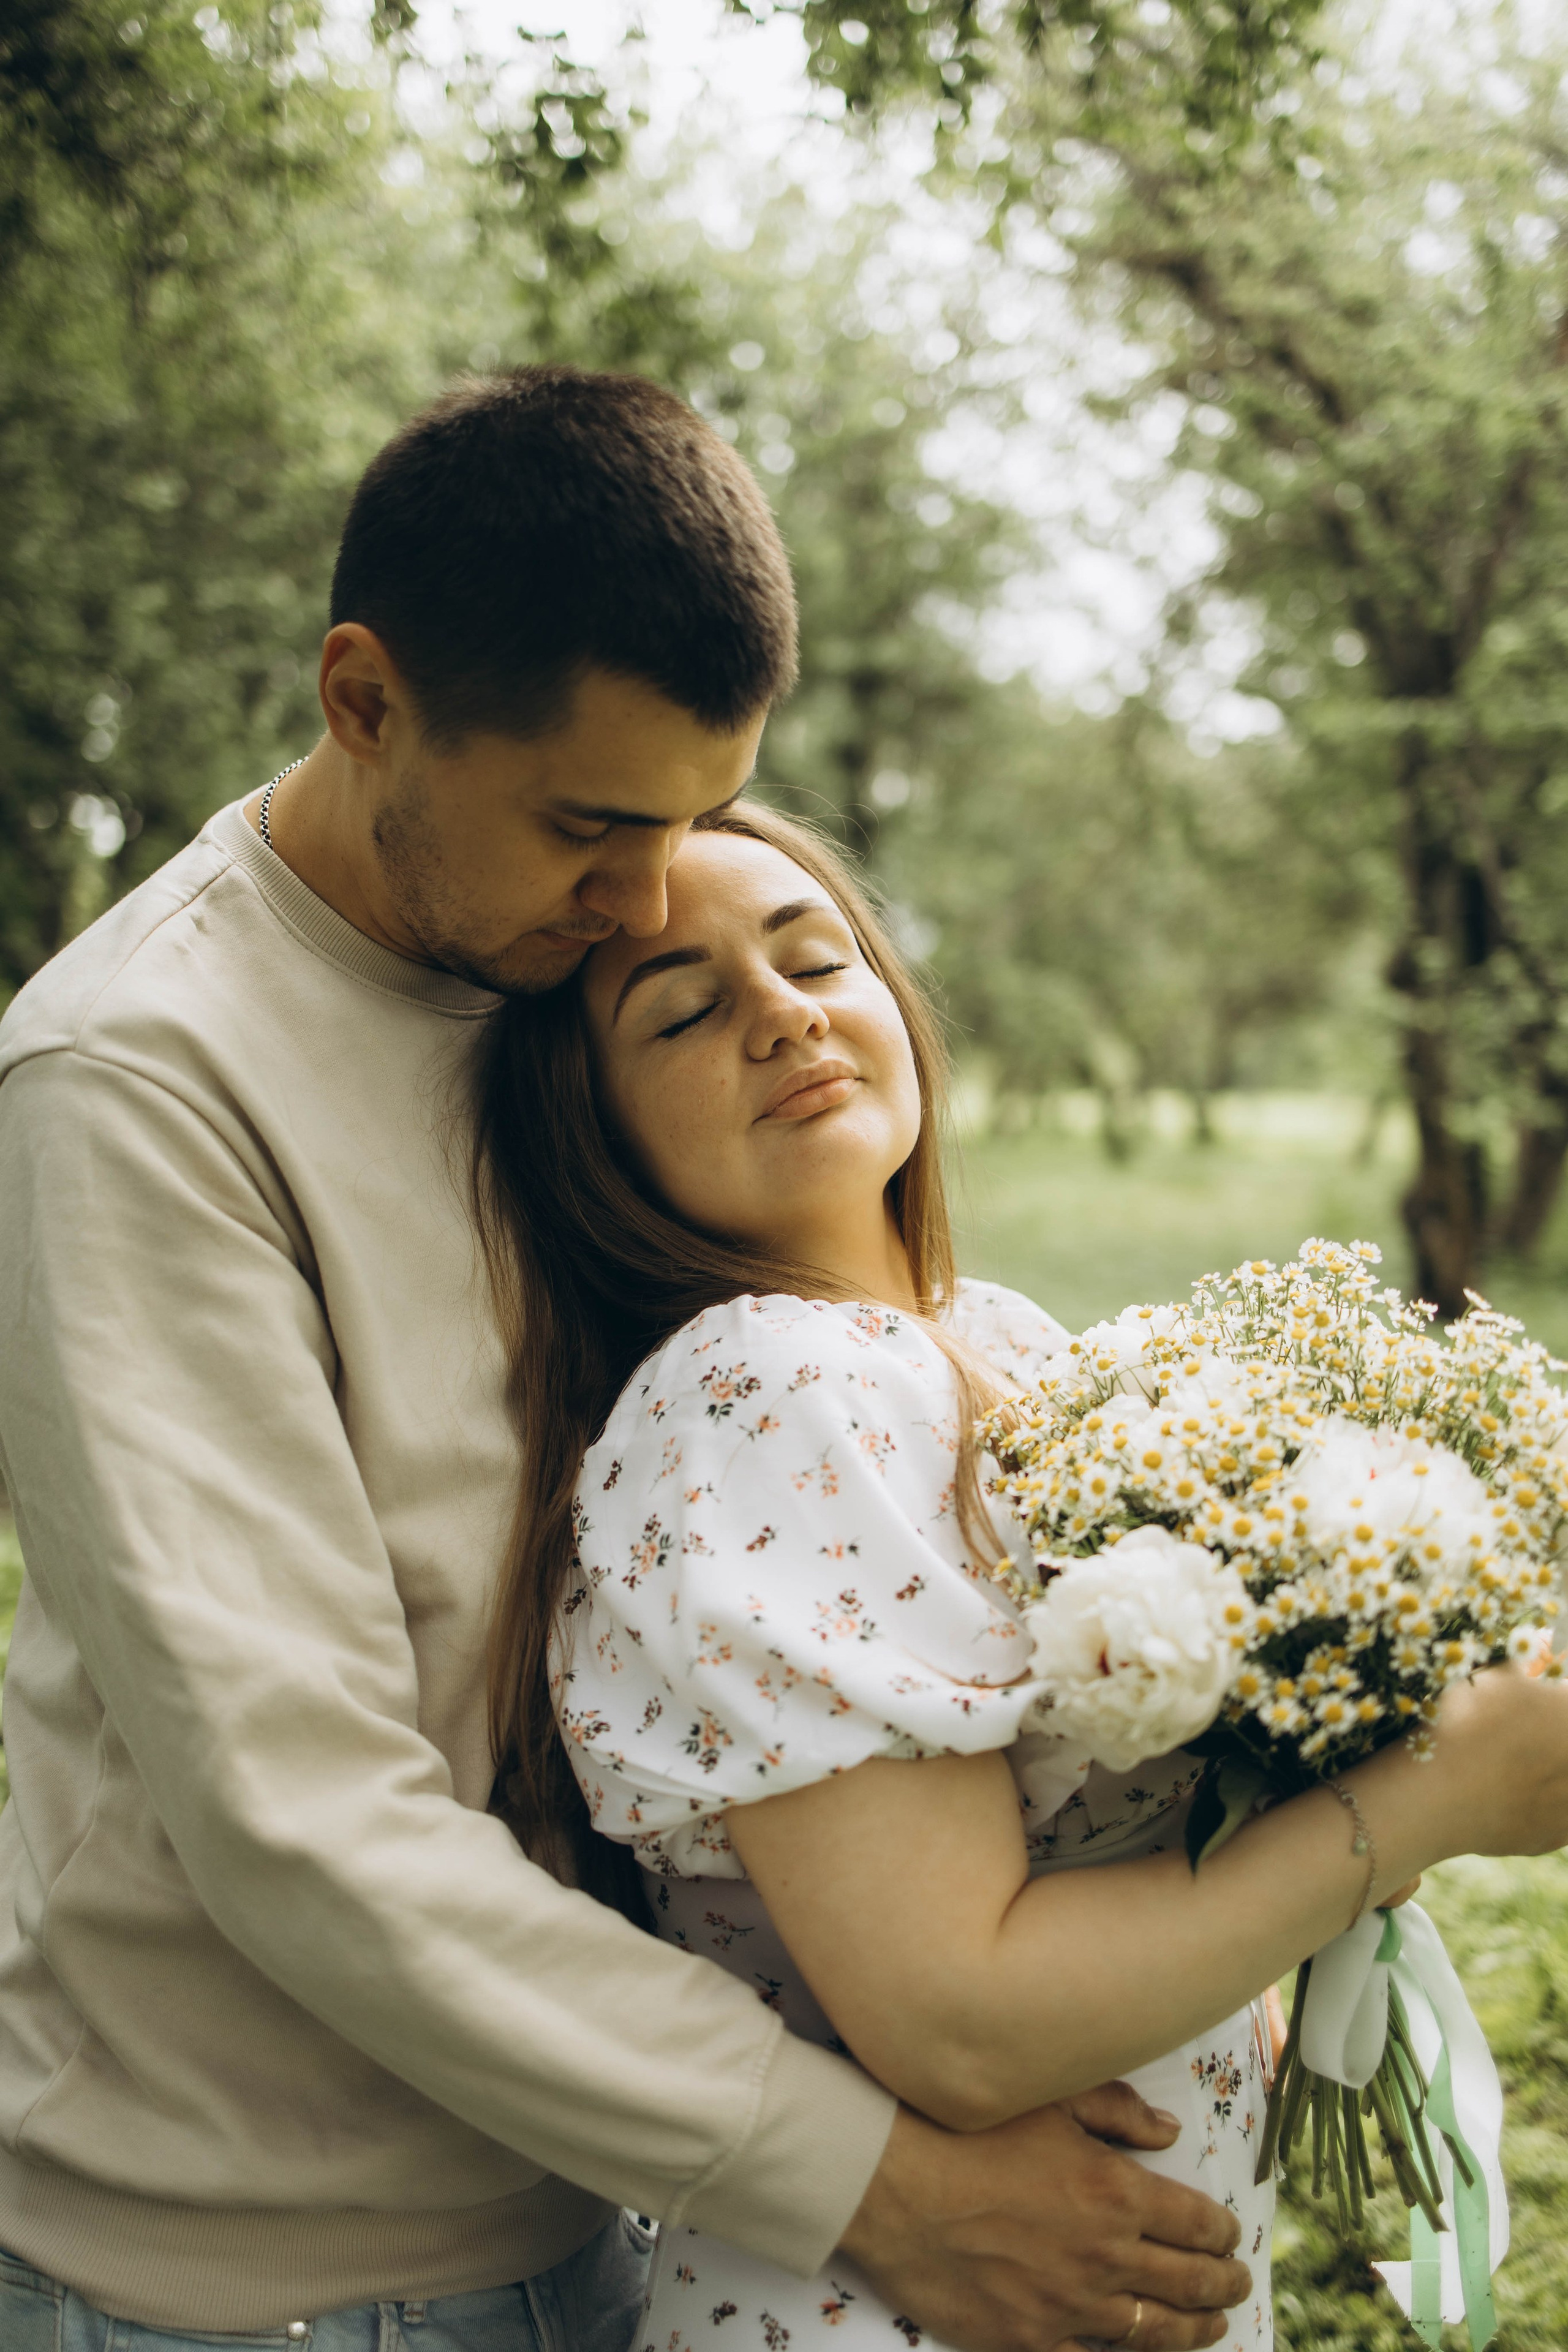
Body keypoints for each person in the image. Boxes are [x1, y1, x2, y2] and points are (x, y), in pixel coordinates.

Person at [0, 366, 1255, 2352]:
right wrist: (876, 2182)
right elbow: (298, 1810)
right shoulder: (136, 1086)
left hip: (618, 2200)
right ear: (363, 699)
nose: (652, 900)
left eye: (688, 819)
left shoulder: (544, 962)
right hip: (267, 2272)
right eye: (594, 826)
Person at [470, 801, 1568, 2352]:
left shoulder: (989, 1337)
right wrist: (1426, 1801)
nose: (782, 1015)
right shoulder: (765, 1390)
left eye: (813, 960)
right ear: (595, 1136)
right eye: (685, 1011)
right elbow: (961, 2027)